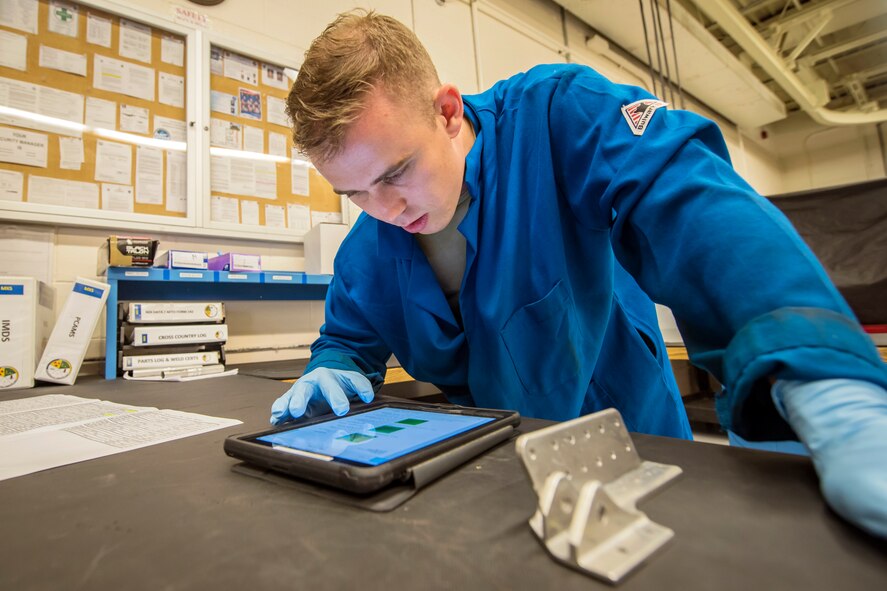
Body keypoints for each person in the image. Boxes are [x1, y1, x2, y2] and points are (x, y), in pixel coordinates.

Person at [271, 10, 887, 537]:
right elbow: (349, 341)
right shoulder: (366, 251)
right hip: (500, 470)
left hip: (641, 445)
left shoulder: (556, 116)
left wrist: (817, 369)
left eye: (396, 171)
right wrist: (336, 366)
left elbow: (684, 197)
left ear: (448, 111)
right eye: (354, 193)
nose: (386, 210)